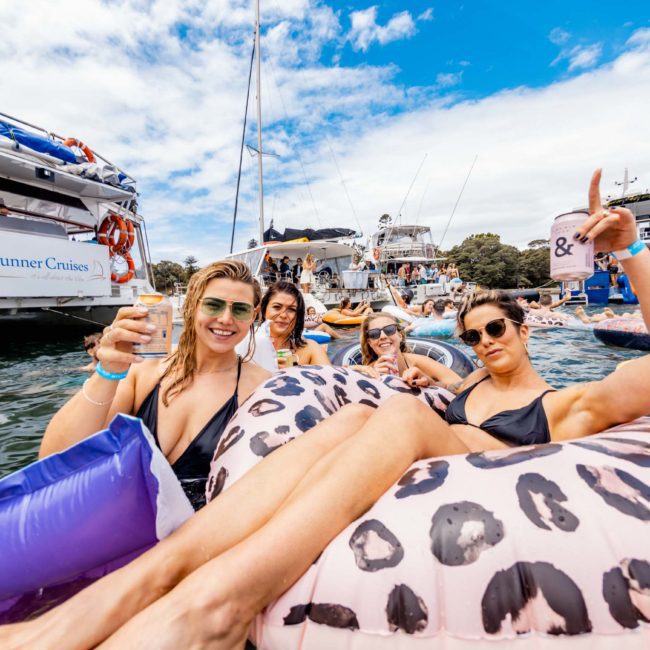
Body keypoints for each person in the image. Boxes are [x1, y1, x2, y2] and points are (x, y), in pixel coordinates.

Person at [5, 170, 650, 650]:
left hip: (487, 458)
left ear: (525, 331)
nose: (484, 342)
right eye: (474, 335)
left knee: (397, 417)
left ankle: (218, 607)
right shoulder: (467, 383)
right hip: (430, 435)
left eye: (496, 331)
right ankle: (146, 581)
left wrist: (628, 251)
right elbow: (414, 377)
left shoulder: (570, 403)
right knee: (356, 418)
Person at [40, 260, 270, 508]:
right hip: (130, 525)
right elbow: (53, 459)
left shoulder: (263, 388)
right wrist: (108, 371)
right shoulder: (143, 372)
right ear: (191, 306)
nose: (226, 319)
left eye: (240, 310)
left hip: (201, 536)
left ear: (254, 315)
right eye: (213, 305)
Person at [352, 312, 465, 386]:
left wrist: (431, 384)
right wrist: (367, 377)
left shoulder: (419, 362)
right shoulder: (368, 371)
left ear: (400, 336)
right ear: (370, 343)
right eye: (374, 334)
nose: (382, 336)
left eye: (389, 330)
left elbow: (460, 384)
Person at [262, 281, 331, 367]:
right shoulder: (248, 350)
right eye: (277, 307)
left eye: (291, 310)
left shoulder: (310, 349)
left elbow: (330, 377)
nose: (283, 315)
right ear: (264, 310)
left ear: (298, 316)